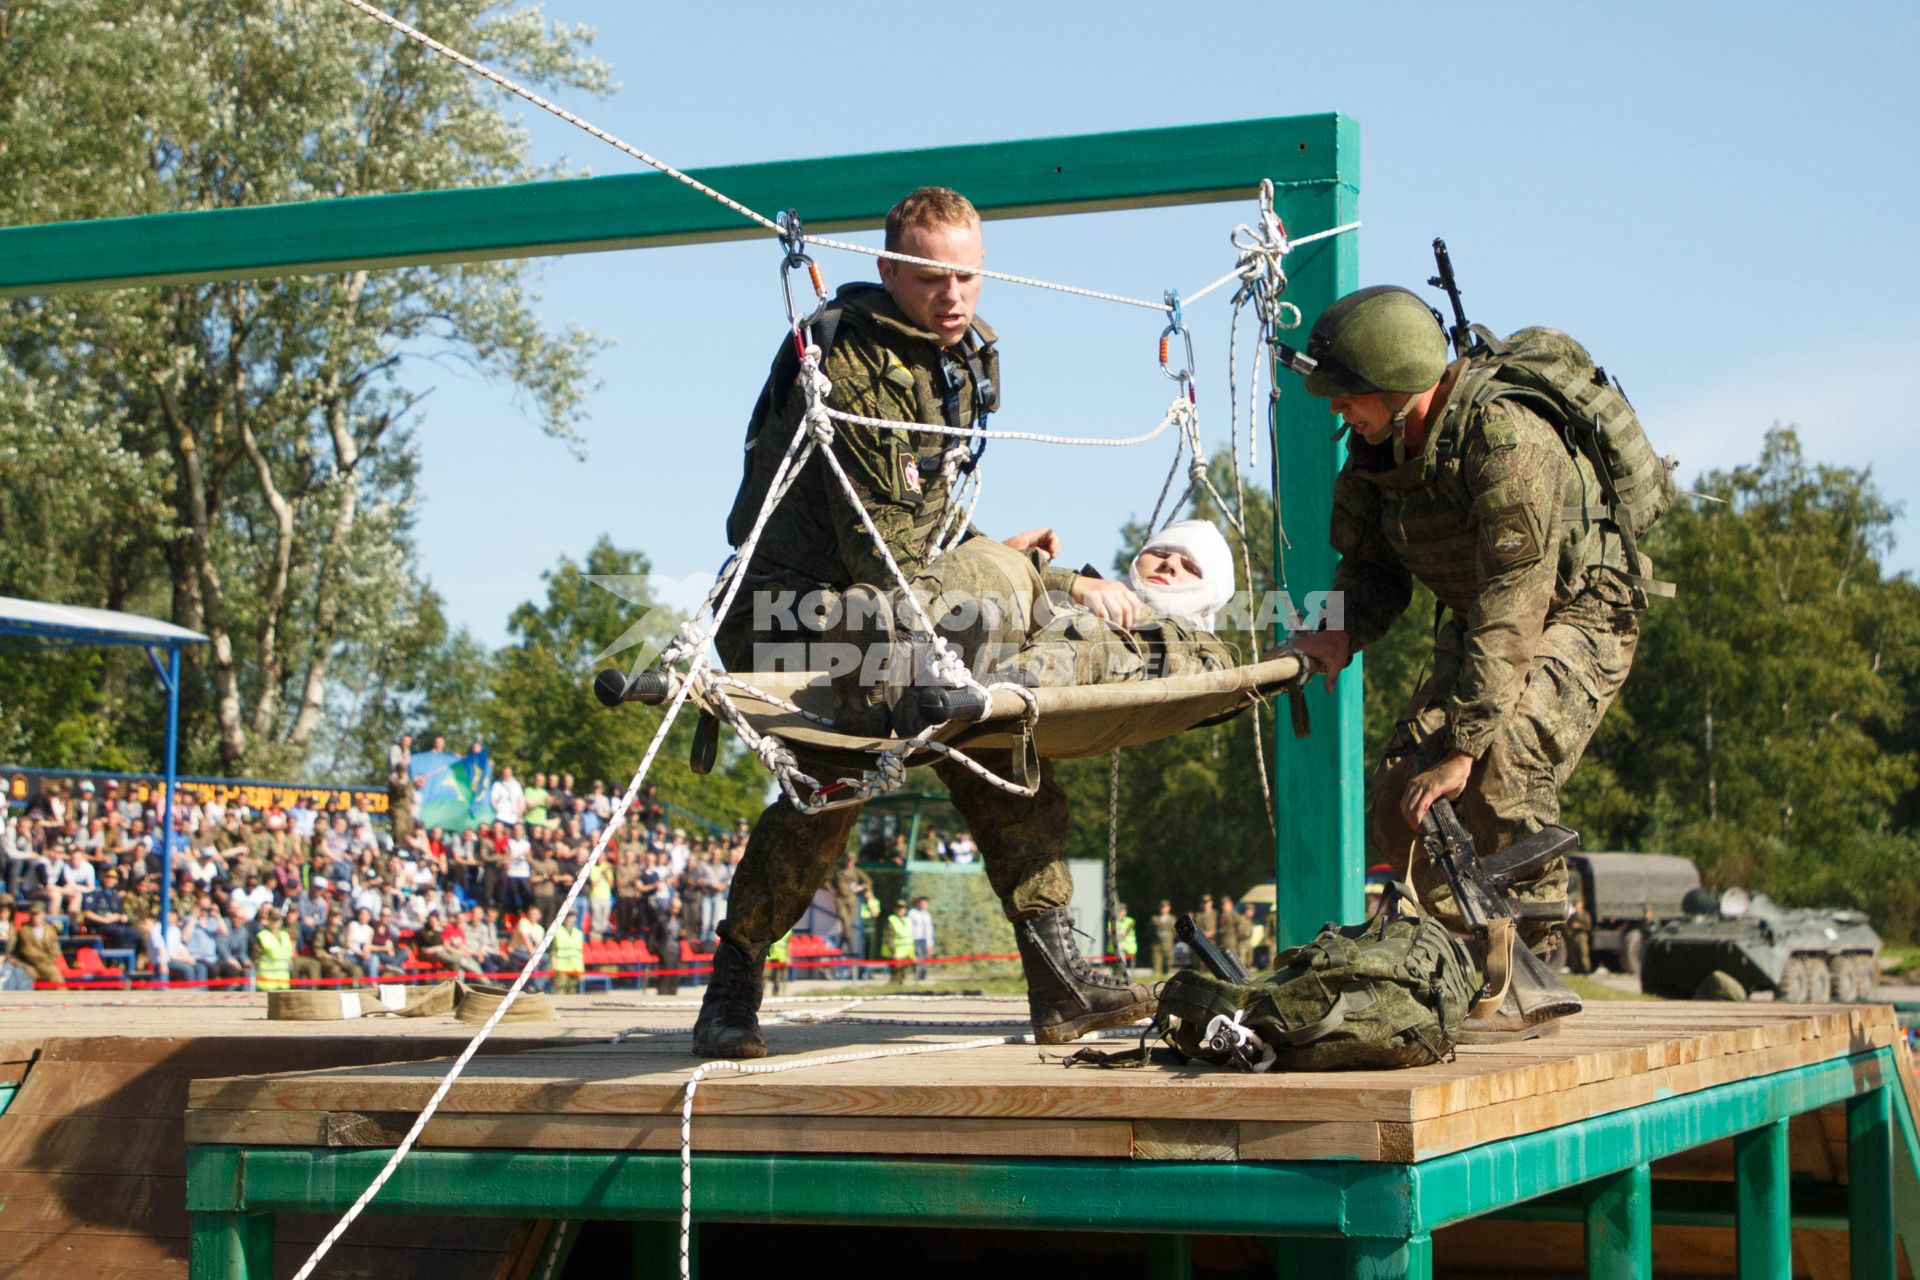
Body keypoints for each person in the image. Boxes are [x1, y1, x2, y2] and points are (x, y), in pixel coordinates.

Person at [695, 186, 1151, 1059]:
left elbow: (928, 522)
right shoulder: (853, 365)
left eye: (969, 277)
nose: (954, 295)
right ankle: (733, 984)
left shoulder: (948, 358)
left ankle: (1058, 974)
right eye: (933, 276)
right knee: (837, 771)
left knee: (995, 739)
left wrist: (1013, 559)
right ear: (888, 269)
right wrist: (1018, 574)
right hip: (793, 616)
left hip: (895, 612)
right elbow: (885, 556)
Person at [1289, 285, 1643, 1035]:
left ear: (1397, 385)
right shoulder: (1375, 453)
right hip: (1485, 615)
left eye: (1347, 395)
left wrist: (1466, 746)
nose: (1336, 411)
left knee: (1500, 756)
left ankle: (1535, 954)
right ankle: (1475, 945)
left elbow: (1516, 609)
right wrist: (1336, 632)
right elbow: (1372, 569)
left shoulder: (1507, 443)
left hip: (1583, 607)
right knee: (1400, 796)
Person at [881, 900, 915, 986]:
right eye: (899, 908)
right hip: (895, 952)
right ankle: (893, 988)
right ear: (895, 909)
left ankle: (898, 988)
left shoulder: (908, 920)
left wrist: (912, 953)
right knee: (895, 974)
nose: (901, 910)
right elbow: (889, 938)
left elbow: (910, 937)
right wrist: (893, 951)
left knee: (902, 974)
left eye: (903, 908)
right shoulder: (892, 920)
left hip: (906, 952)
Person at [906, 895, 935, 979]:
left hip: (925, 940)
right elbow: (909, 927)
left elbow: (929, 930)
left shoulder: (927, 914)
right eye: (921, 903)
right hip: (915, 939)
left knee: (924, 958)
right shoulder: (912, 913)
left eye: (925, 903)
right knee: (918, 958)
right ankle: (918, 975)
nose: (923, 905)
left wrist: (930, 944)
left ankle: (922, 975)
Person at [1150, 900, 1176, 974]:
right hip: (1157, 945)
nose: (1163, 909)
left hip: (1168, 945)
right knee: (1157, 967)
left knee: (1169, 966)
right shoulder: (1154, 918)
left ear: (1169, 908)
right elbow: (1150, 931)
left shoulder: (1172, 919)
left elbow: (1175, 931)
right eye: (1161, 907)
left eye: (1165, 907)